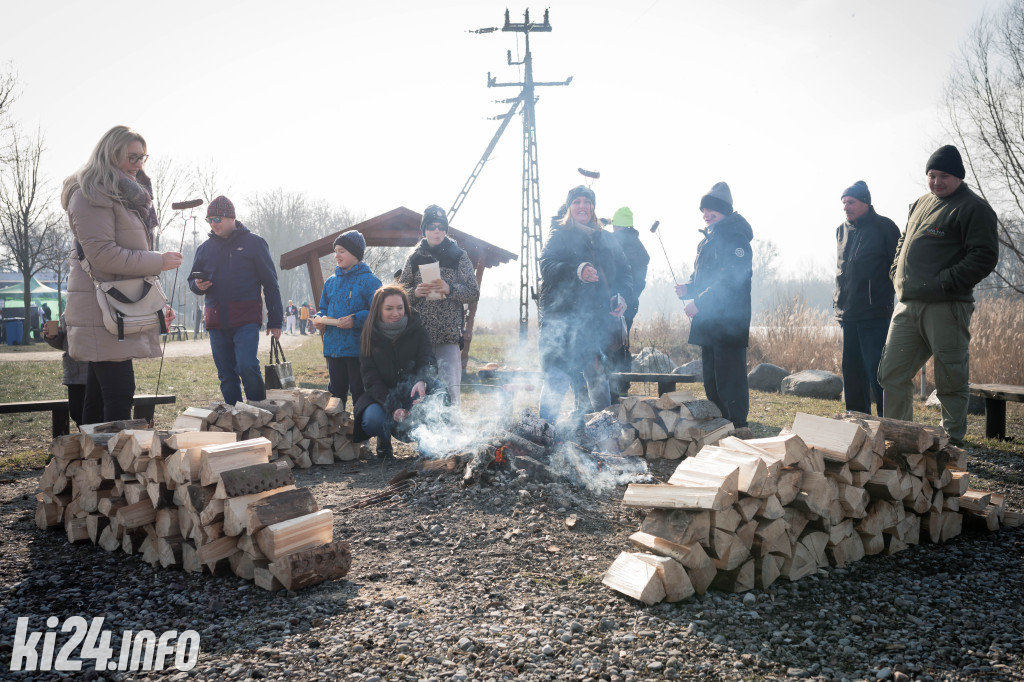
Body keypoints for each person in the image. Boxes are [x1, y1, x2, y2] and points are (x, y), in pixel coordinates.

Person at [878, 145, 999, 444]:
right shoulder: (920, 203)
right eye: (931, 175)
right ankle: (899, 437)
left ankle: (953, 441)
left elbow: (984, 256)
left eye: (943, 175)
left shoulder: (973, 208)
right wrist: (896, 271)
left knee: (950, 377)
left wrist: (947, 281)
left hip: (946, 306)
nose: (936, 182)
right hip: (907, 305)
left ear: (957, 176)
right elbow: (903, 240)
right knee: (891, 373)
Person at [61, 125, 181, 423]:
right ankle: (111, 462)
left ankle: (94, 463)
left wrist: (155, 298)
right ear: (110, 154)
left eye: (142, 157)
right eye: (132, 157)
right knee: (118, 391)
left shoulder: (121, 195)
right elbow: (103, 255)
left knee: (102, 394)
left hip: (116, 305)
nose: (138, 164)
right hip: (101, 306)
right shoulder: (91, 194)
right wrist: (158, 261)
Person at [538, 185, 631, 425]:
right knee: (556, 378)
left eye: (586, 202)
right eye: (577, 202)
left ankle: (605, 435)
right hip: (562, 320)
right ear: (570, 207)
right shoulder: (559, 234)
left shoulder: (605, 238)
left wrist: (622, 297)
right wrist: (576, 271)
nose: (582, 206)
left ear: (593, 207)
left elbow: (624, 272)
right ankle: (543, 431)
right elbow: (546, 265)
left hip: (594, 322)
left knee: (597, 377)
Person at [187, 195, 283, 405]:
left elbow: (271, 283)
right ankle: (235, 417)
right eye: (209, 220)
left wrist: (276, 320)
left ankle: (260, 412)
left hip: (246, 319)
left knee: (247, 366)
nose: (213, 224)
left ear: (231, 218)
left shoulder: (255, 243)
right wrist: (197, 286)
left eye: (217, 219)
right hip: (215, 321)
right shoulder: (204, 249)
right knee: (226, 374)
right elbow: (191, 281)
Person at [675, 182, 753, 434]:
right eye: (704, 210)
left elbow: (733, 279)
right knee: (712, 380)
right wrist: (690, 288)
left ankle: (738, 427)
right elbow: (706, 278)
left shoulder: (734, 237)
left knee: (730, 381)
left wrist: (700, 301)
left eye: (712, 210)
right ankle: (719, 427)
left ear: (726, 210)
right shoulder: (709, 239)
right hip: (709, 322)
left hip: (729, 322)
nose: (707, 214)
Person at [398, 205, 480, 424]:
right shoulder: (414, 258)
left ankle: (453, 441)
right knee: (421, 391)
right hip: (419, 338)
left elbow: (473, 291)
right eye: (432, 227)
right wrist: (414, 293)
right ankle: (427, 443)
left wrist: (450, 289)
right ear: (424, 230)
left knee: (450, 391)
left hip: (448, 336)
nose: (437, 231)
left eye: (441, 227)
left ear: (446, 230)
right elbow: (398, 295)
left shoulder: (458, 256)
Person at [833, 181, 900, 416]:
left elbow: (898, 268)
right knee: (852, 371)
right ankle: (856, 419)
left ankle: (887, 421)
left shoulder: (885, 227)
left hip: (874, 314)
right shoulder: (841, 230)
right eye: (844, 203)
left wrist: (886, 299)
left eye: (851, 202)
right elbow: (841, 270)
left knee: (877, 371)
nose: (846, 207)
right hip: (848, 313)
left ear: (865, 202)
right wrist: (837, 303)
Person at [353, 285, 437, 458]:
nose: (396, 313)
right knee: (372, 420)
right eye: (389, 309)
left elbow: (427, 359)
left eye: (400, 308)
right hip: (381, 396)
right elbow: (370, 378)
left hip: (412, 392)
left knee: (439, 392)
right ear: (378, 310)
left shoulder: (417, 328)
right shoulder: (369, 335)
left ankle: (426, 445)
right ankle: (383, 443)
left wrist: (423, 380)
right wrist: (393, 407)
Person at [313, 230, 381, 409]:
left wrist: (356, 320)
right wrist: (320, 318)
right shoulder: (330, 282)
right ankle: (336, 433)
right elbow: (323, 308)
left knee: (360, 392)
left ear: (355, 253)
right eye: (335, 251)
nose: (336, 256)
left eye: (341, 251)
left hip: (357, 350)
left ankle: (361, 433)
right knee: (336, 393)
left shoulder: (371, 282)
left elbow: (378, 312)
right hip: (333, 349)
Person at [608, 206, 650, 402]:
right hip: (631, 303)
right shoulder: (639, 247)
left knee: (612, 344)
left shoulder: (618, 243)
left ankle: (613, 389)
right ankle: (621, 387)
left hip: (617, 302)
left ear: (617, 226)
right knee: (623, 344)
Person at [43, 314, 88, 428]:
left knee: (94, 416)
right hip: (76, 374)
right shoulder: (68, 310)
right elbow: (66, 344)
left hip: (97, 371)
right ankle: (86, 443)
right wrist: (53, 337)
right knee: (78, 414)